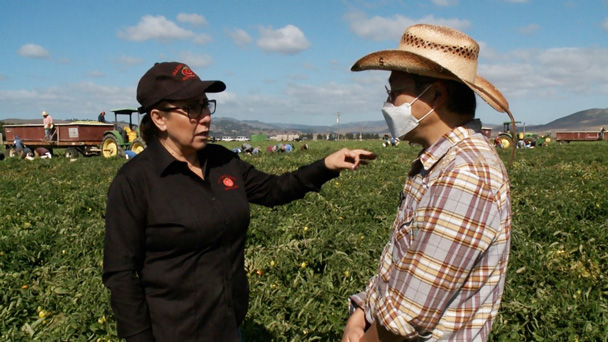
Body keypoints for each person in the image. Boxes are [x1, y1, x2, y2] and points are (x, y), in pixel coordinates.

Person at [102, 61, 376, 342]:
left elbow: (273, 190)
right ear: (159, 119)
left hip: (229, 325)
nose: (205, 117)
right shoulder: (135, 182)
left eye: (205, 105)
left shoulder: (223, 161)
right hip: (172, 332)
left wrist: (327, 165)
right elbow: (120, 273)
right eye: (192, 108)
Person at [342, 24, 513, 342]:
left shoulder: (464, 175)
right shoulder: (439, 162)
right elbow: (401, 266)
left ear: (435, 94)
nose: (388, 103)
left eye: (394, 91)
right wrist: (361, 314)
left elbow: (405, 321)